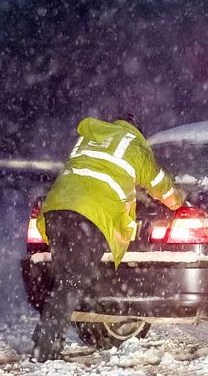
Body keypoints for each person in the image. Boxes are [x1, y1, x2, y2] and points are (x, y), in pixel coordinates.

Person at [31, 114, 184, 362]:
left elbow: (88, 173)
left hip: (57, 209)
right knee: (72, 282)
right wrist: (178, 200)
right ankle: (45, 347)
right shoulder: (134, 147)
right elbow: (161, 186)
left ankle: (50, 338)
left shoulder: (90, 139)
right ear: (137, 132)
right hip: (91, 215)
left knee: (66, 279)